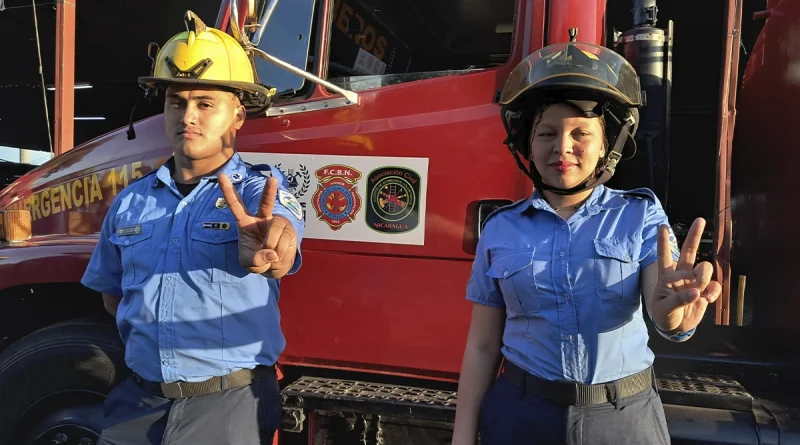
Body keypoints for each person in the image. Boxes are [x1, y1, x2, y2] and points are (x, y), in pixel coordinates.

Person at [451, 41, 722, 445]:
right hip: (521, 416)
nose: (562, 147)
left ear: (605, 148)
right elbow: (482, 346)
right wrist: (462, 435)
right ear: (527, 146)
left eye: (581, 133)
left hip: (623, 420)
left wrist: (674, 319)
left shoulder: (640, 215)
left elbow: (663, 307)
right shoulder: (501, 228)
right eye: (546, 133)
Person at [80, 11, 305, 444]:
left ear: (237, 116)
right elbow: (113, 297)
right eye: (176, 102)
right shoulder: (130, 201)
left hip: (227, 407)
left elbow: (282, 246)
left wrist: (272, 249)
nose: (187, 116)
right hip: (138, 404)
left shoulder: (260, 191)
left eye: (205, 103)